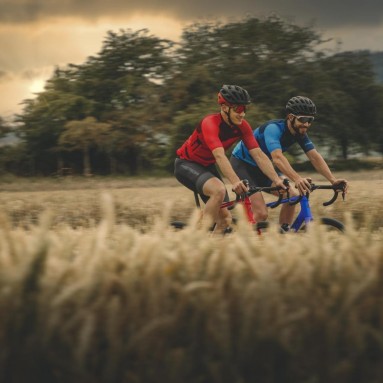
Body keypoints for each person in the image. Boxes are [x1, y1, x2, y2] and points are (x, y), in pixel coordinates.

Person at [174, 84, 286, 233]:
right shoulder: (210, 123)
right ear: (225, 107)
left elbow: (258, 155)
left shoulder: (243, 126)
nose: (242, 114)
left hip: (207, 167)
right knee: (219, 190)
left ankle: (213, 251)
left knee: (225, 221)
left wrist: (276, 180)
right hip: (186, 164)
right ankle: (198, 239)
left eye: (245, 109)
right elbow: (220, 156)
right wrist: (235, 182)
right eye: (238, 109)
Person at [230, 95, 348, 232]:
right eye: (303, 119)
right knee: (261, 213)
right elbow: (277, 158)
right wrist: (297, 178)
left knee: (292, 196)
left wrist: (333, 180)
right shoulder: (273, 129)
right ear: (291, 117)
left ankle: (282, 235)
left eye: (310, 120)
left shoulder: (300, 133)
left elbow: (315, 157)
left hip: (264, 167)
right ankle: (244, 241)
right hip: (243, 164)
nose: (307, 124)